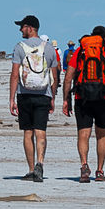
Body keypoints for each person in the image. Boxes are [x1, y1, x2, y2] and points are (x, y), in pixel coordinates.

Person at [62, 25, 105, 183]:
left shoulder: (80, 51)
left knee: (83, 134)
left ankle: (84, 166)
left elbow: (68, 77)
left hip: (82, 98)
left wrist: (65, 100)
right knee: (101, 135)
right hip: (104, 98)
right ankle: (100, 171)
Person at [9, 15, 60, 182]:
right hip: (43, 94)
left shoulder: (19, 47)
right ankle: (40, 163)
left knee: (27, 132)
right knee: (41, 132)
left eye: (22, 27)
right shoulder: (49, 48)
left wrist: (11, 99)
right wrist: (52, 97)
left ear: (30, 28)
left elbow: (15, 74)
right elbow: (54, 76)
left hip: (24, 94)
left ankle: (31, 170)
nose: (20, 30)